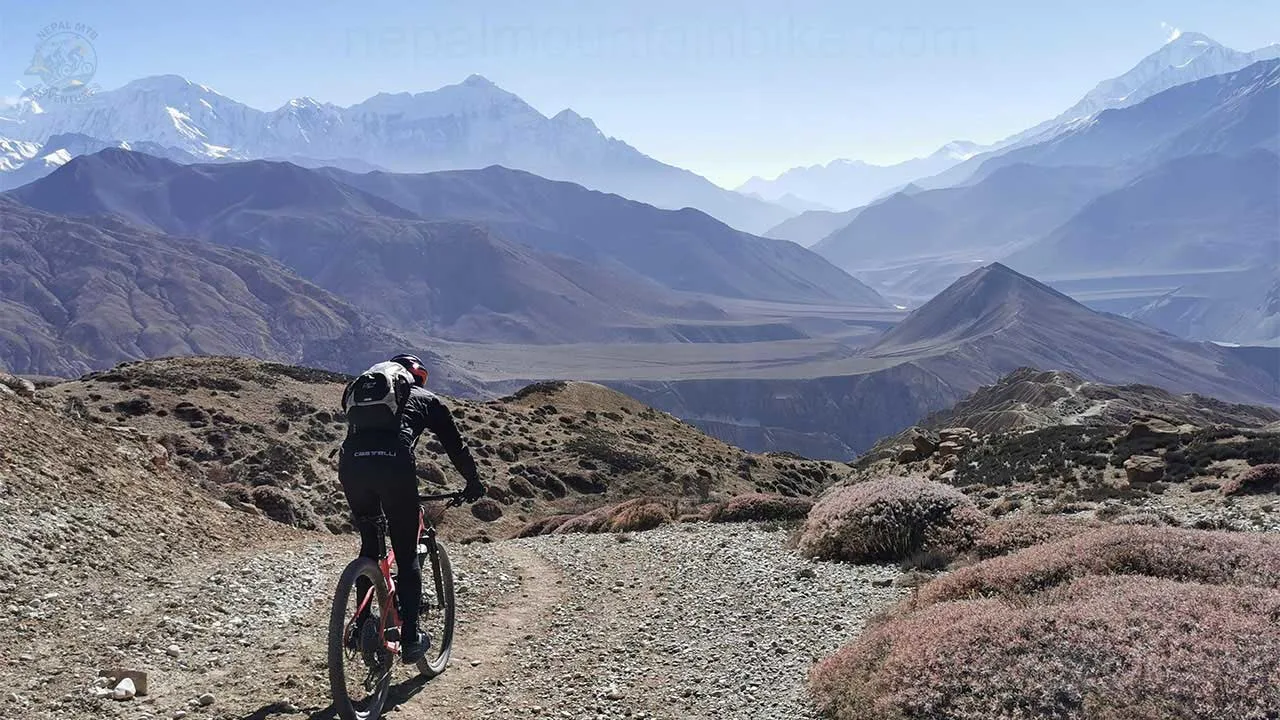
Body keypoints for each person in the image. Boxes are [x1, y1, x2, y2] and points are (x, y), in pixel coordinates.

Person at [338, 353, 486, 663]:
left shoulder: (365, 395)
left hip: (352, 466)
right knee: (406, 555)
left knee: (369, 545)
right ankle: (410, 638)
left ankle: (362, 624)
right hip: (394, 468)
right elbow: (455, 446)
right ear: (417, 376)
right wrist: (473, 481)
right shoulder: (427, 399)